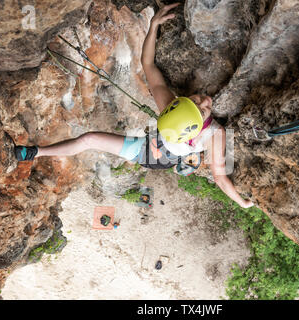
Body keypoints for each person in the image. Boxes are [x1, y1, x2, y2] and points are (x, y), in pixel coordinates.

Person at [14, 3, 254, 209]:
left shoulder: (217, 134)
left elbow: (220, 177)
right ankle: (36, 152)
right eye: (196, 101)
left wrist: (242, 202)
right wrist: (153, 26)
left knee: (94, 140)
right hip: (154, 142)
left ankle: (184, 161)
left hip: (153, 156)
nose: (205, 99)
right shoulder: (171, 106)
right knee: (87, 139)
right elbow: (147, 65)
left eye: (202, 108)